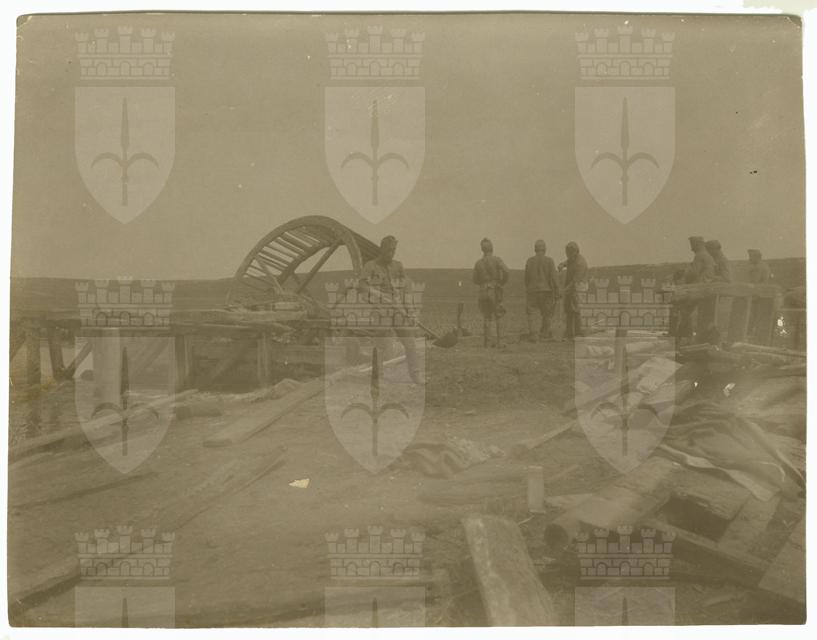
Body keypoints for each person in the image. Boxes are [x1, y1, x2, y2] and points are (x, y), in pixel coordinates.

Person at [359, 235, 423, 384]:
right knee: (381, 343)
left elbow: (406, 288)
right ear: (382, 249)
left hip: (398, 309)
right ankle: (378, 377)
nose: (391, 253)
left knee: (410, 341)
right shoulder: (371, 266)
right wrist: (379, 295)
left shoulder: (398, 266)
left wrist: (410, 311)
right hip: (381, 310)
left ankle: (416, 375)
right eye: (389, 250)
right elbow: (362, 285)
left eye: (393, 250)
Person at [677, 236, 716, 341]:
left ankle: (682, 335)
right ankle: (685, 335)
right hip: (705, 285)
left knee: (684, 309)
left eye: (692, 245)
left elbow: (694, 273)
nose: (691, 248)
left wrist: (685, 275)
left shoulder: (700, 255)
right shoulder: (707, 255)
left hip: (700, 287)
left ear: (697, 244)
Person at [473, 238, 510, 348]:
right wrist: (502, 282)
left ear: (482, 249)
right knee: (499, 315)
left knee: (487, 316)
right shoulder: (497, 260)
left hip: (482, 291)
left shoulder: (478, 263)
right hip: (494, 290)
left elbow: (474, 279)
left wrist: (483, 283)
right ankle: (501, 342)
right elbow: (507, 271)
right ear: (492, 248)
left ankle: (487, 343)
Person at [524, 240, 561, 342]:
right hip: (546, 291)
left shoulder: (529, 261)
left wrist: (529, 288)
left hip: (532, 290)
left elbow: (526, 278)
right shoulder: (549, 261)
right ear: (544, 249)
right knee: (547, 313)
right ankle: (544, 334)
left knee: (531, 313)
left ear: (535, 249)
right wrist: (558, 290)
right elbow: (554, 277)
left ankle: (533, 335)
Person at [558, 241, 588, 340]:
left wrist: (563, 291)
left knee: (576, 310)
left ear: (575, 252)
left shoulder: (580, 263)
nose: (567, 255)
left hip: (579, 288)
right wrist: (562, 264)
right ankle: (569, 333)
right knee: (569, 309)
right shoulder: (572, 258)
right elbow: (568, 261)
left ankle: (578, 333)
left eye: (569, 253)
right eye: (566, 253)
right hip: (571, 287)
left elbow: (575, 282)